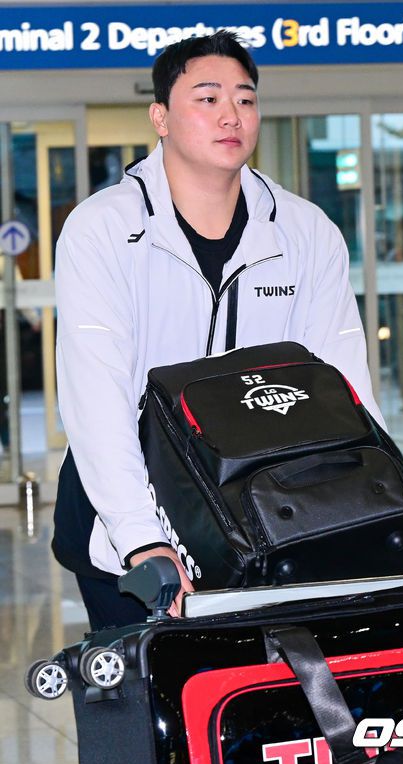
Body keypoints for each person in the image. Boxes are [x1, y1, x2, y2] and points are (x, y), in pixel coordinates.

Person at [52, 31, 385, 631]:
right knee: (155, 689)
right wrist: (141, 539)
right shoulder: (103, 230)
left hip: (268, 513)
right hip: (130, 515)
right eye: (207, 98)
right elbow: (95, 398)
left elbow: (345, 387)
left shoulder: (306, 233)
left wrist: (381, 502)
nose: (231, 114)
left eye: (245, 99)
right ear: (160, 117)